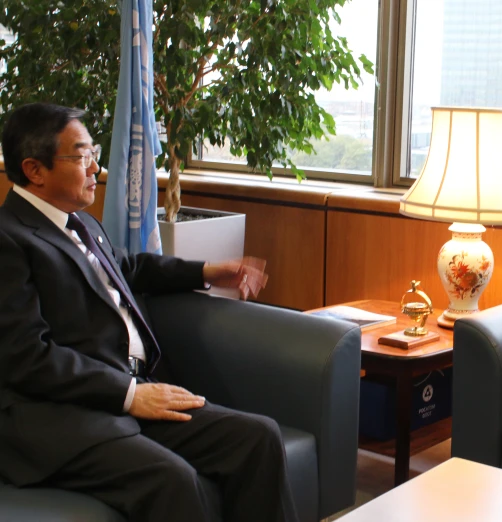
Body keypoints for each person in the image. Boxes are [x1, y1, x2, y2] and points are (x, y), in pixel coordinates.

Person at [0, 103, 298, 522]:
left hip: (131, 394)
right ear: (35, 170)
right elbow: (26, 358)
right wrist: (129, 395)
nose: (95, 168)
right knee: (173, 479)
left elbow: (131, 267)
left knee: (258, 437)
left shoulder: (81, 223)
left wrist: (209, 271)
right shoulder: (9, 239)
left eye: (94, 154)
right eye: (82, 156)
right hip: (63, 418)